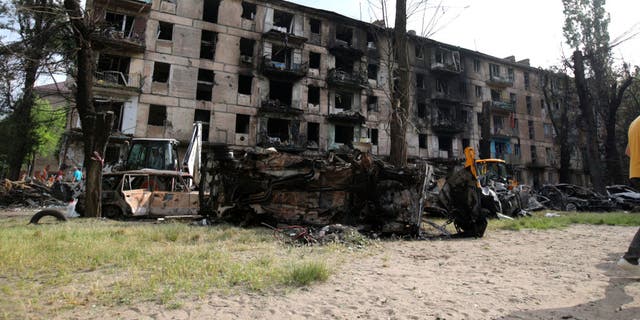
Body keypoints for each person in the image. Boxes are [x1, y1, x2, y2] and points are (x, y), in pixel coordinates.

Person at [618, 115, 640, 274]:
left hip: (635, 172)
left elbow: (628, 151)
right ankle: (631, 257)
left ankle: (632, 257)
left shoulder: (635, 122)